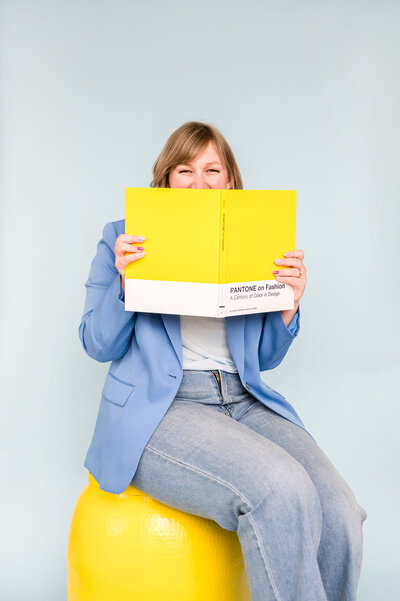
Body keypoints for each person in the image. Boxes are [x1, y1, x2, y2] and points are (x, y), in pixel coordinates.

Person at [79, 121, 367, 601]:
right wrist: (123, 283)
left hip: (243, 399)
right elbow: (97, 343)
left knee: (339, 509)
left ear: (230, 180)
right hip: (165, 410)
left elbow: (265, 359)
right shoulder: (123, 238)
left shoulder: (253, 239)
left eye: (212, 169)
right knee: (281, 489)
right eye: (184, 170)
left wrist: (288, 305)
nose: (200, 182)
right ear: (166, 180)